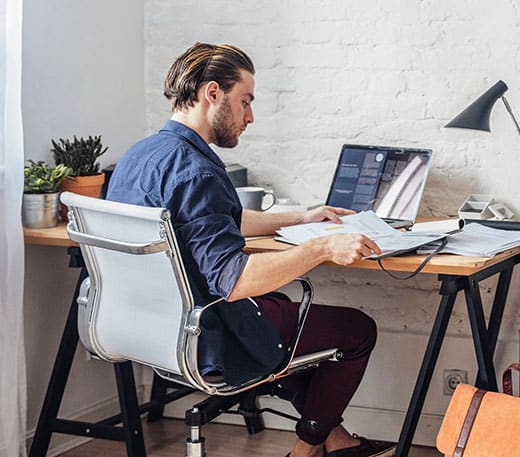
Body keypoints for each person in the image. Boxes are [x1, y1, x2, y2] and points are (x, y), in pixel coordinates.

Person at [107, 42, 395, 457]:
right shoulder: (197, 171)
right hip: (207, 332)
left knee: (280, 318)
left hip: (149, 327)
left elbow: (214, 219)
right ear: (212, 93)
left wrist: (299, 218)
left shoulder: (142, 155)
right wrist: (323, 248)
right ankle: (308, 448)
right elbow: (235, 280)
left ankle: (334, 438)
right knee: (356, 330)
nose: (250, 116)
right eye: (245, 101)